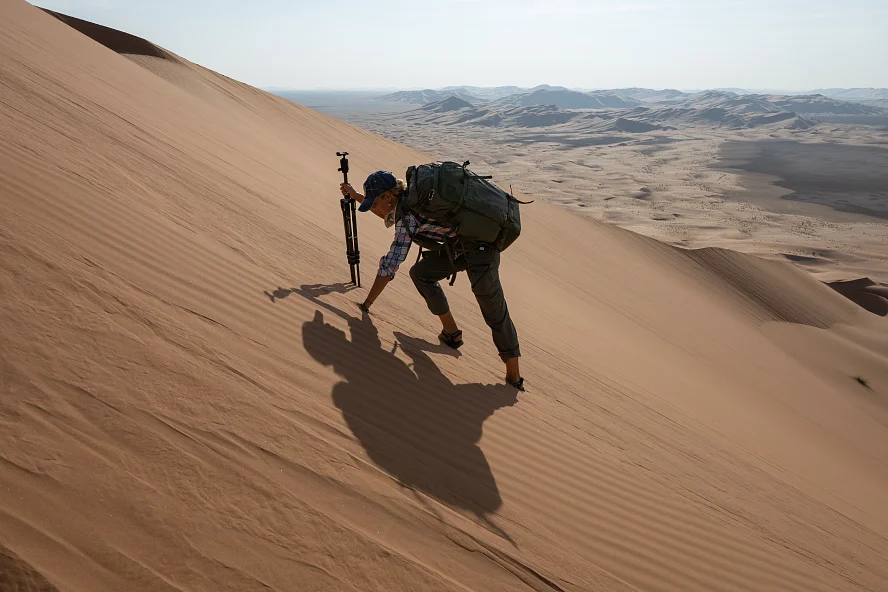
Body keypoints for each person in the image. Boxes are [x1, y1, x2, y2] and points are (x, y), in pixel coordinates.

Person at [340, 170, 524, 391]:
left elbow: (390, 264)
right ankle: (452, 334)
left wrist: (366, 304)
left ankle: (514, 376)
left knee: (492, 306)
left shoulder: (408, 216)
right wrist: (356, 195)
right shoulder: (410, 200)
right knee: (421, 273)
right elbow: (385, 213)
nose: (374, 207)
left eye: (375, 201)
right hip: (457, 249)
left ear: (388, 196)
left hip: (480, 249)